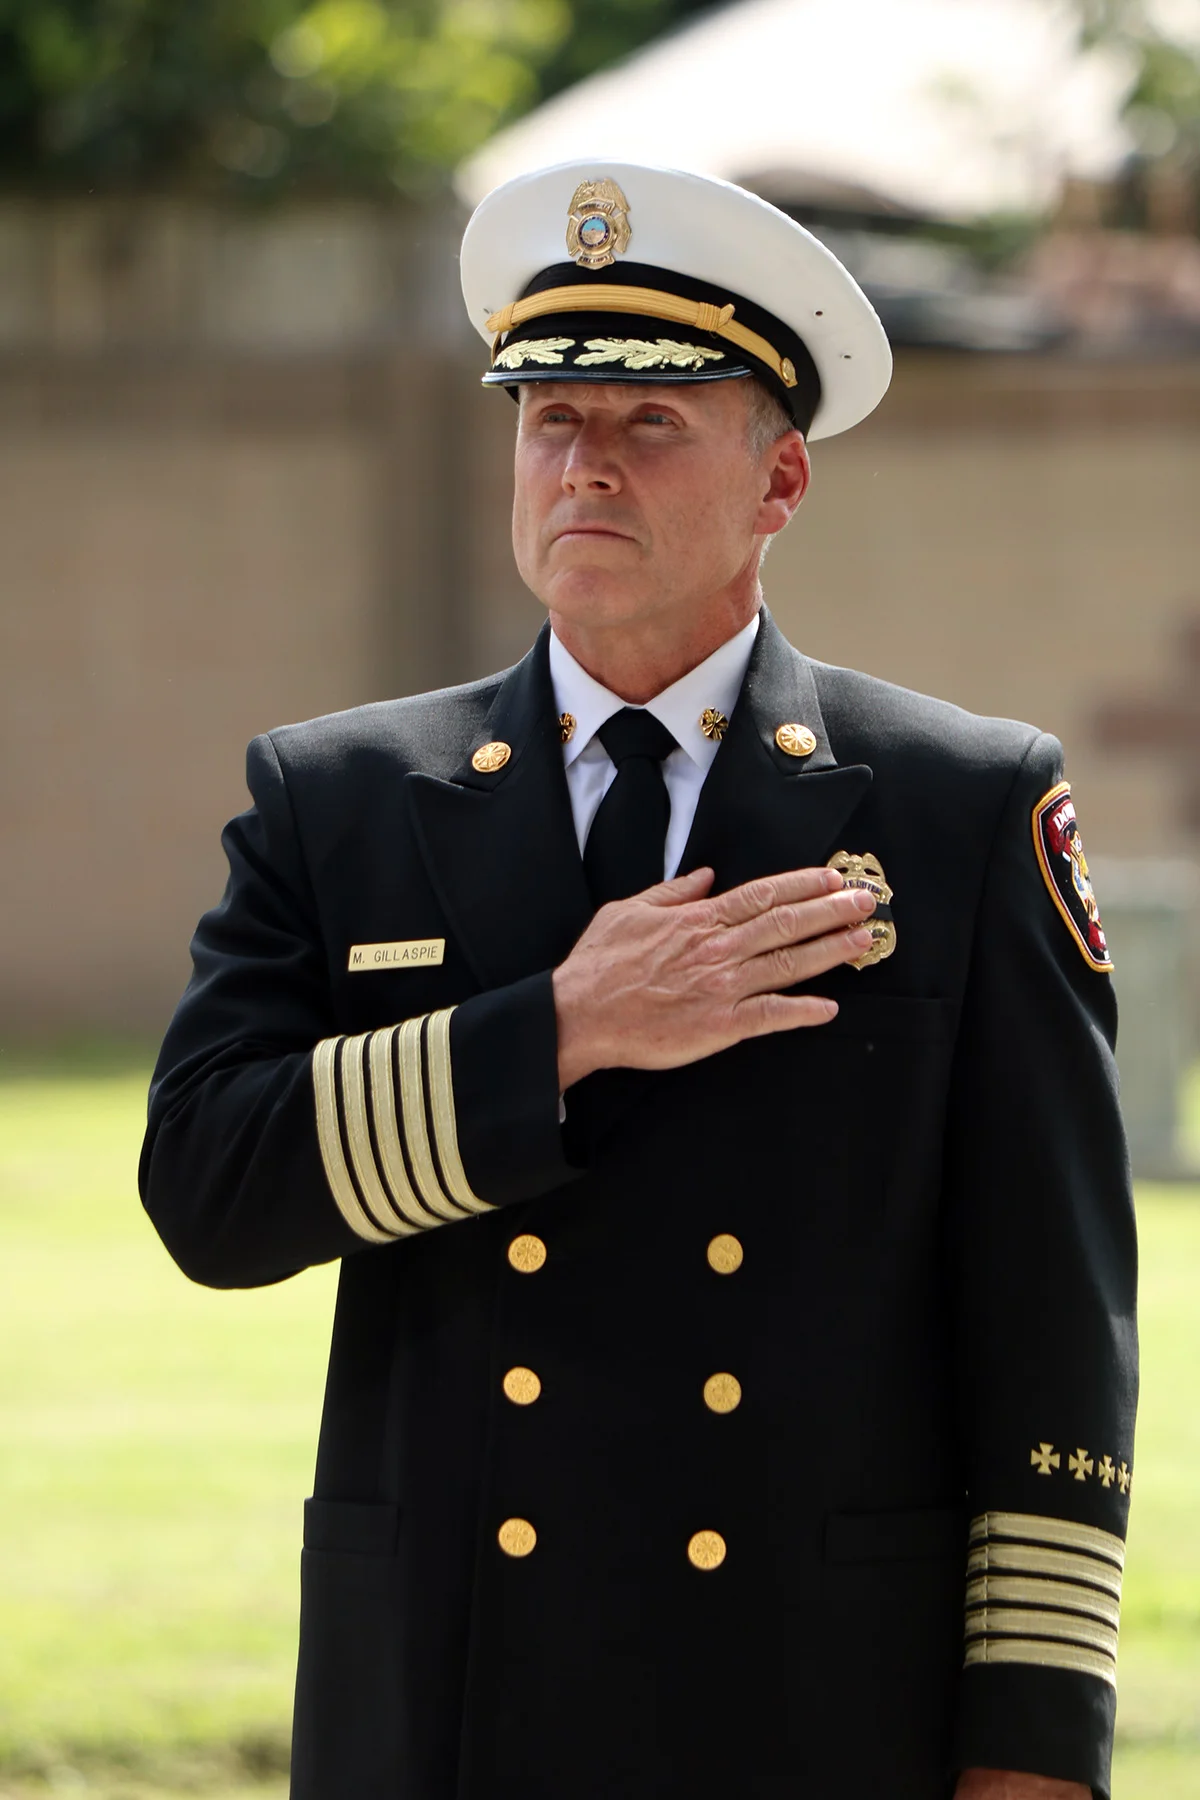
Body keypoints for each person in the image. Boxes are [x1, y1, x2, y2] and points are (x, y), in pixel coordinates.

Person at [140, 161, 1137, 1800]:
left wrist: (1033, 1749)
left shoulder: (956, 804)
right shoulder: (341, 797)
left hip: (813, 1695)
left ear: (782, 477)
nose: (583, 462)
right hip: (453, 1690)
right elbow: (207, 1188)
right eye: (549, 420)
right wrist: (562, 1029)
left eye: (650, 421)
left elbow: (1056, 1311)